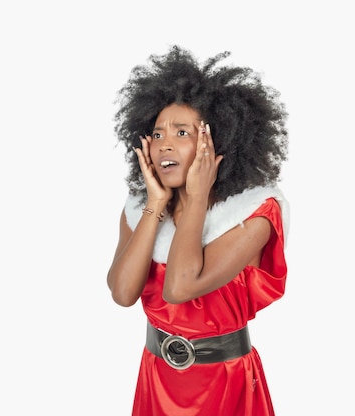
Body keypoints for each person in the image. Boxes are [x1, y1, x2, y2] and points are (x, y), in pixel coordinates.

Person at [107, 45, 289, 416]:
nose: (165, 144)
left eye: (181, 132)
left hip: (224, 383)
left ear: (217, 141)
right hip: (157, 377)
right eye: (156, 135)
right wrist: (156, 204)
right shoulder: (141, 208)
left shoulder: (253, 214)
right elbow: (123, 293)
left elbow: (180, 287)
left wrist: (197, 195)